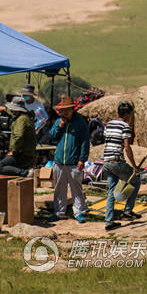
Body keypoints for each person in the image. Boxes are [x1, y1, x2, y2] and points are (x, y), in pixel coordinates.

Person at [47, 96, 90, 224]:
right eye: (62, 110)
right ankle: (59, 212)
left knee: (76, 188)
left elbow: (85, 142)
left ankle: (79, 212)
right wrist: (59, 127)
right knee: (59, 188)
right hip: (60, 161)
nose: (64, 113)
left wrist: (82, 159)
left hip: (74, 162)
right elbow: (51, 136)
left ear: (72, 109)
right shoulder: (59, 121)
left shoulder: (80, 122)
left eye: (66, 110)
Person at [103, 102, 141, 231]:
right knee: (136, 180)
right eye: (130, 115)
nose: (131, 118)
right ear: (127, 114)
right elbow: (126, 147)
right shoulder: (125, 126)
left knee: (111, 191)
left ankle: (109, 221)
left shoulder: (109, 125)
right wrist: (135, 167)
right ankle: (128, 211)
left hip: (107, 162)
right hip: (117, 161)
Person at [0, 96, 36, 177]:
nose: (12, 111)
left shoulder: (21, 120)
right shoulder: (24, 116)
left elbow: (18, 136)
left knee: (0, 167)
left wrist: (13, 151)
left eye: (13, 109)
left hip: (23, 154)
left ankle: (26, 173)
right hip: (26, 153)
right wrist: (5, 109)